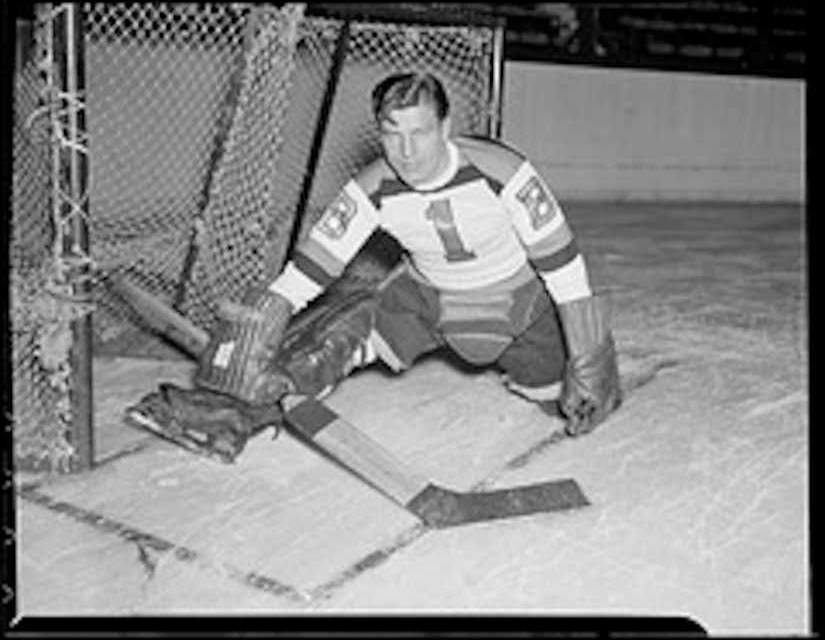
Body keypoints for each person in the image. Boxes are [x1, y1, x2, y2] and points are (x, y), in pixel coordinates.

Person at [129, 72, 622, 463]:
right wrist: (271, 312)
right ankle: (229, 417)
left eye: (421, 133)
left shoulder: (503, 171)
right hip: (428, 302)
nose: (407, 152)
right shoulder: (370, 187)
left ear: (445, 128)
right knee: (333, 337)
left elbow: (562, 265)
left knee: (572, 400)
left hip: (521, 308)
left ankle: (575, 376)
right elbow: (315, 267)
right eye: (393, 135)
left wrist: (589, 355)